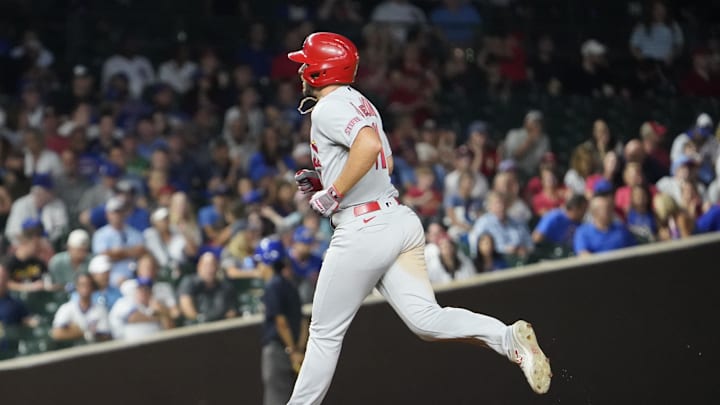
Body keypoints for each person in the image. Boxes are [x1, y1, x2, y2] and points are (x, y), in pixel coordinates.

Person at [287, 32, 551, 403]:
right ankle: (507, 339)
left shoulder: (328, 108)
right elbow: (384, 162)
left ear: (318, 70)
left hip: (363, 228)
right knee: (427, 320)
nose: (300, 68)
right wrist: (326, 176)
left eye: (305, 62)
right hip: (397, 220)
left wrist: (333, 192)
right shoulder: (362, 103)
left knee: (324, 334)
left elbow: (369, 147)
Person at [255, 237, 308, 405]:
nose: (259, 268)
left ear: (267, 263)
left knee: (276, 399)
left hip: (280, 351)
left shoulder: (272, 286)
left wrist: (291, 350)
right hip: (295, 351)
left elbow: (281, 322)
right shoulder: (290, 285)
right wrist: (298, 350)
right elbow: (303, 323)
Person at [91, 196, 146, 287]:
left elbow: (141, 251)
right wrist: (130, 252)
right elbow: (103, 256)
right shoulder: (100, 234)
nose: (117, 215)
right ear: (107, 214)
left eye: (120, 212)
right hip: (110, 278)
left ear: (125, 213)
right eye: (114, 212)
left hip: (135, 275)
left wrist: (117, 253)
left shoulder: (135, 233)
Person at [51, 272, 111, 343]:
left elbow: (105, 336)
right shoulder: (66, 308)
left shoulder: (100, 310)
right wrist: (85, 333)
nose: (85, 287)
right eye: (82, 284)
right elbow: (56, 334)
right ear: (77, 286)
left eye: (88, 285)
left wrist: (74, 331)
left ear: (92, 287)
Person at [177, 252, 238, 323]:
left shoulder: (225, 286)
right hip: (198, 326)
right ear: (199, 267)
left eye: (213, 265)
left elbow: (232, 311)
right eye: (206, 266)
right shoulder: (189, 282)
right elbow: (187, 307)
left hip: (222, 325)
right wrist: (200, 320)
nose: (210, 269)